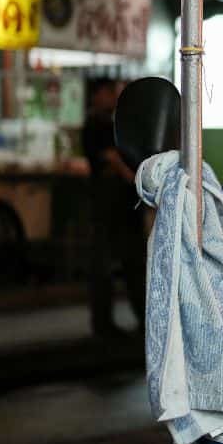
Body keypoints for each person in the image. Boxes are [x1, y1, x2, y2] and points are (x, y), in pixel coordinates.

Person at [81, 78, 146, 338]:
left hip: (125, 206)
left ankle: (143, 321)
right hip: (107, 206)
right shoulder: (95, 125)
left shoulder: (116, 123)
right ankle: (103, 325)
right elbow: (111, 158)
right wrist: (130, 175)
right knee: (105, 267)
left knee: (133, 266)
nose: (113, 97)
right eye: (109, 92)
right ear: (97, 95)